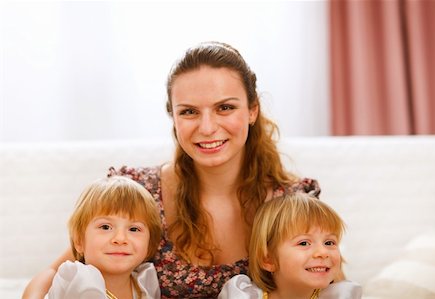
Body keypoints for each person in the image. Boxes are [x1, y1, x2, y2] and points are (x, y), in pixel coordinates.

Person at [23, 41, 331, 299]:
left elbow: (331, 286)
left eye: (225, 107)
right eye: (189, 112)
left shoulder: (292, 201)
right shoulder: (139, 192)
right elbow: (55, 272)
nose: (208, 127)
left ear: (252, 111)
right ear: (174, 117)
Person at [218, 193, 362, 299]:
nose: (323, 252)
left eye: (329, 242)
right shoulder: (244, 296)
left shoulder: (340, 295)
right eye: (304, 243)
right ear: (268, 260)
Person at [47, 176, 162, 299]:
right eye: (105, 227)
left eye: (134, 229)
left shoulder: (145, 283)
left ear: (149, 245)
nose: (120, 239)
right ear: (79, 241)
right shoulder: (78, 282)